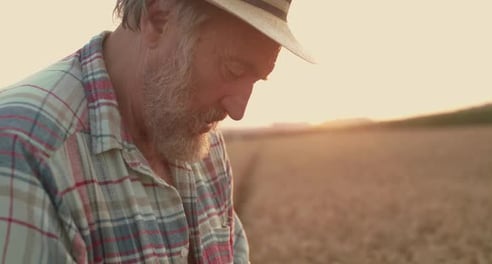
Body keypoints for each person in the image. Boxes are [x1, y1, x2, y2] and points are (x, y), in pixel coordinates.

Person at [0, 0, 313, 263]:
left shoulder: (205, 146)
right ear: (158, 19)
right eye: (232, 69)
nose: (238, 110)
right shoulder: (24, 148)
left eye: (256, 79)